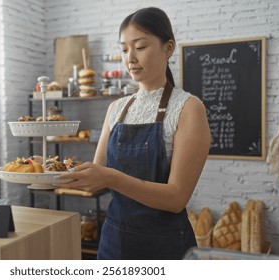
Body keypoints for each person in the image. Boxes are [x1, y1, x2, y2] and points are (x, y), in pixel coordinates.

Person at [58, 7, 211, 260]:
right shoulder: (116, 108)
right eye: (124, 49)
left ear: (168, 48)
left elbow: (176, 198)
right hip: (113, 244)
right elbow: (96, 177)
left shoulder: (188, 108)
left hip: (164, 247)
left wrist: (112, 178)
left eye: (140, 47)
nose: (130, 58)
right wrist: (49, 169)